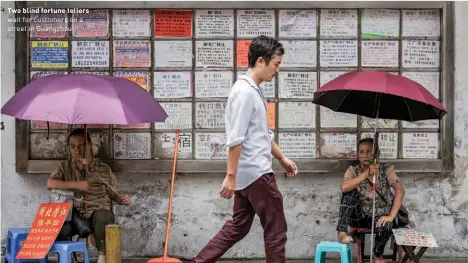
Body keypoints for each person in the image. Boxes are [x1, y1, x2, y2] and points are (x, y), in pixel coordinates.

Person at [192, 35, 298, 263]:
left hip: (247, 174)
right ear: (261, 61)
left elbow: (261, 135)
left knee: (238, 227)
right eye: (276, 64)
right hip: (257, 174)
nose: (277, 71)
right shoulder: (245, 92)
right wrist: (230, 177)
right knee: (276, 229)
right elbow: (235, 139)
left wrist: (282, 158)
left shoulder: (254, 90)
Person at [46, 128, 131, 263]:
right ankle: (67, 257)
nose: (77, 150)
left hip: (97, 212)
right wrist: (77, 185)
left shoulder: (103, 168)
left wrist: (121, 199)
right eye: (72, 146)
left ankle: (102, 256)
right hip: (75, 215)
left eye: (81, 145)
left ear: (90, 146)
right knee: (59, 226)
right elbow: (50, 183)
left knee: (104, 216)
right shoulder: (65, 166)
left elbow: (115, 193)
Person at [336, 137, 405, 263]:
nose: (365, 154)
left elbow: (400, 190)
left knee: (386, 225)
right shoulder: (353, 170)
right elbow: (344, 187)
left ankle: (377, 255)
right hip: (360, 215)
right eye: (361, 151)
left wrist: (390, 216)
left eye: (369, 151)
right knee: (349, 192)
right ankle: (341, 232)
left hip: (380, 217)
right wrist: (366, 173)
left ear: (376, 154)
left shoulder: (386, 170)